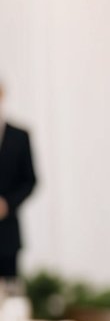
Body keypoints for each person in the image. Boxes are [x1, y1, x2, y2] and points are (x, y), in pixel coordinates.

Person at [0, 84, 37, 280]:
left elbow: (30, 181)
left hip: (7, 235)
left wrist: (7, 204)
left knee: (9, 293)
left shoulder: (19, 137)